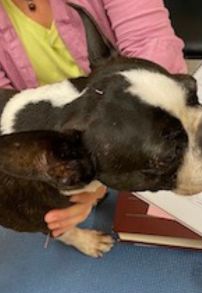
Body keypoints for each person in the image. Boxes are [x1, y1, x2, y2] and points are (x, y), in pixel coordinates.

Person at [0, 0, 187, 238]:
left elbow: (153, 45)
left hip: (142, 139)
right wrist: (81, 180)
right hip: (69, 153)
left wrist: (100, 179)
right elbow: (7, 116)